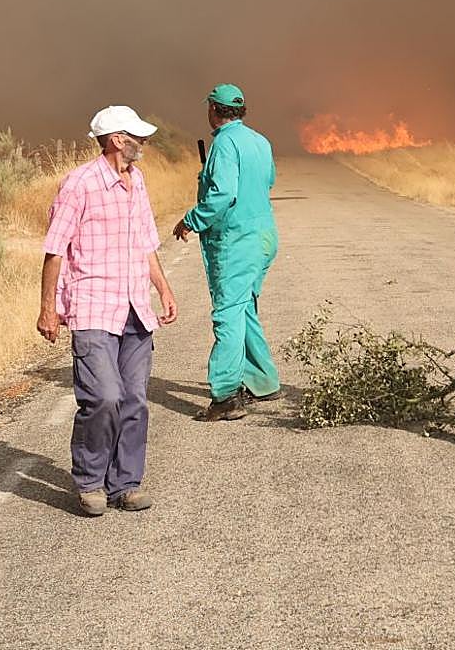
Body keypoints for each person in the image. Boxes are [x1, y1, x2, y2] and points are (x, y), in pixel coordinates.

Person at [37, 105, 178, 516]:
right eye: (138, 135)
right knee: (104, 397)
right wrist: (49, 309)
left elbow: (147, 243)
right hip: (94, 307)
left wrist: (164, 289)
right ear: (118, 139)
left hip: (136, 306)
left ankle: (126, 483)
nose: (144, 142)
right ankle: (89, 481)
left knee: (134, 399)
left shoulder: (138, 180)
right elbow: (54, 249)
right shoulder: (79, 184)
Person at [172, 84, 281, 421]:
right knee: (245, 306)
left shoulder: (223, 143)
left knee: (228, 313)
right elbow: (269, 181)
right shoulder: (260, 141)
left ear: (214, 110)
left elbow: (222, 194)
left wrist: (191, 220)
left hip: (237, 241)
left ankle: (225, 396)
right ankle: (264, 382)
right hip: (264, 237)